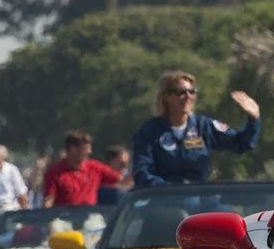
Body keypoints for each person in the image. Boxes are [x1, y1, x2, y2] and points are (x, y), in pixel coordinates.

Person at [132, 71, 261, 187]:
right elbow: (142, 172)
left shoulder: (203, 126)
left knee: (226, 212)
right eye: (181, 92)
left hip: (198, 196)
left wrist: (253, 119)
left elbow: (241, 143)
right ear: (166, 97)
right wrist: (167, 189)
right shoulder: (150, 131)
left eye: (192, 91)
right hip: (163, 199)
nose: (188, 96)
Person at [42, 131, 124, 207]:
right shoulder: (54, 172)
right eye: (85, 149)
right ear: (72, 149)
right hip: (64, 220)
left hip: (90, 219)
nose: (89, 152)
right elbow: (49, 200)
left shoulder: (96, 168)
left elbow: (120, 180)